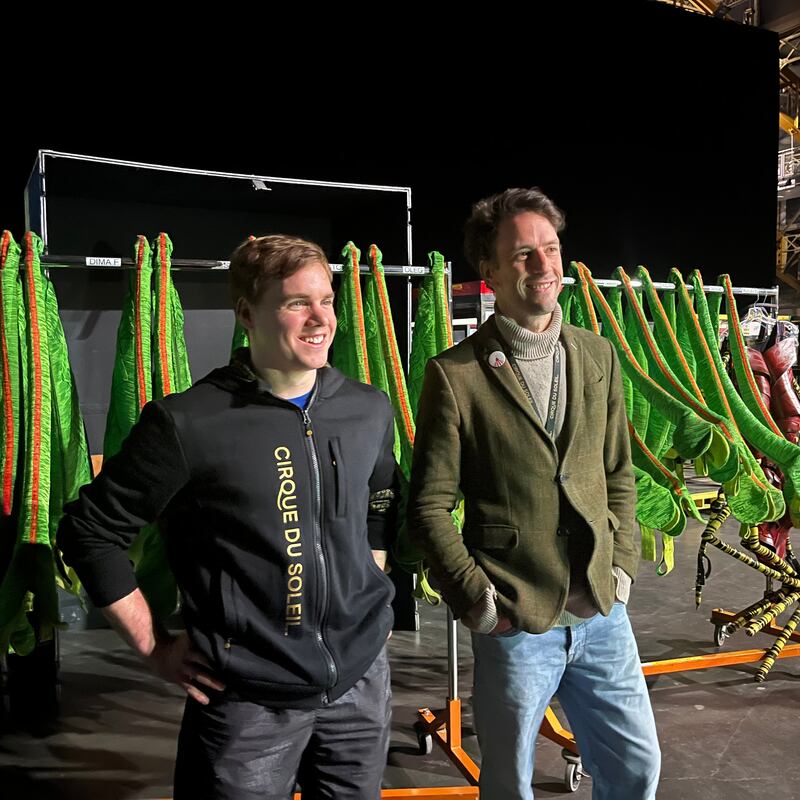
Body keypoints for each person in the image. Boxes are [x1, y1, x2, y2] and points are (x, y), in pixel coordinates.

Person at [58, 234, 397, 800]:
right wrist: (154, 648)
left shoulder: (367, 408)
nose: (321, 318)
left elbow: (382, 501)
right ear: (247, 314)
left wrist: (366, 586)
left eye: (328, 299)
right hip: (248, 706)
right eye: (296, 303)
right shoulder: (189, 422)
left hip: (360, 690)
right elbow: (89, 531)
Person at [407, 188, 660, 799]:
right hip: (516, 619)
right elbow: (429, 505)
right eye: (524, 255)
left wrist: (621, 563)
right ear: (489, 271)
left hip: (603, 610)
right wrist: (478, 601)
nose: (544, 266)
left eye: (550, 249)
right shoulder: (456, 373)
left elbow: (618, 473)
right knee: (509, 783)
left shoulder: (597, 356)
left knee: (636, 770)